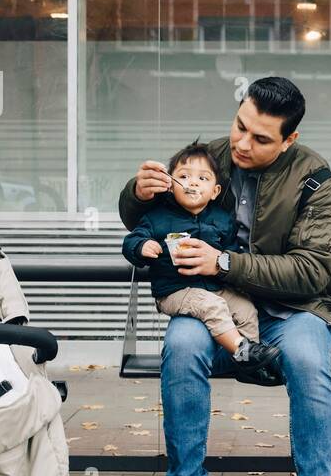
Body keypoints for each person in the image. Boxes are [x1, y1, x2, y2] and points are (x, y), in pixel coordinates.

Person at [118, 77, 331, 476]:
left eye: (261, 138)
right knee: (180, 346)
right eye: (240, 126)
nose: (242, 143)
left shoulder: (319, 184)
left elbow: (313, 271)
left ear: (288, 140)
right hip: (212, 307)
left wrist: (224, 261)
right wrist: (136, 194)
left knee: (310, 364)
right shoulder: (208, 158)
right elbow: (145, 219)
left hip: (293, 311)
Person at [120, 140, 282, 386]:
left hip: (214, 287)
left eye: (203, 179)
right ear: (170, 185)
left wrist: (226, 262)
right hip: (174, 291)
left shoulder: (221, 219)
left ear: (215, 191)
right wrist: (142, 247)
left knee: (246, 308)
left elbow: (230, 250)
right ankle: (240, 349)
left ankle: (249, 362)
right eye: (184, 176)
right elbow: (131, 241)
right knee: (211, 305)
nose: (193, 183)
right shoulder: (157, 217)